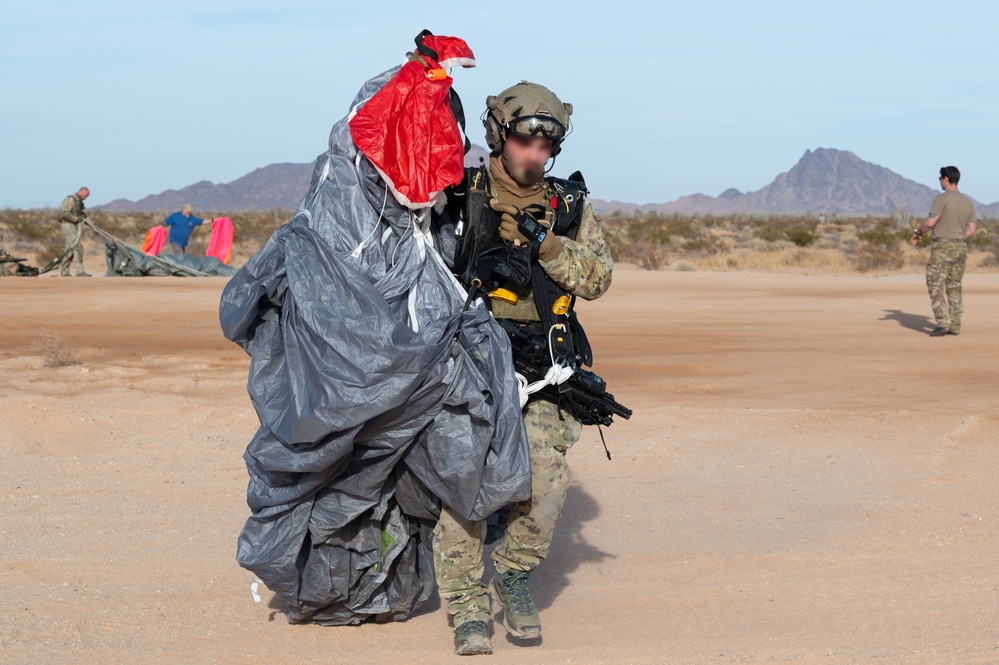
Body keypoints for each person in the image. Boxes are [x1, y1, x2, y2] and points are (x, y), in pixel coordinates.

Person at [433, 81, 613, 656]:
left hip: (544, 365)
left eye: (545, 146)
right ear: (499, 136)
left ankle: (512, 573)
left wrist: (545, 245)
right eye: (523, 141)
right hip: (467, 363)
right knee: (465, 480)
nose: (534, 155)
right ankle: (465, 604)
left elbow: (599, 280)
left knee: (547, 479)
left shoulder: (568, 205)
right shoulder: (456, 192)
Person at [910, 166, 977, 336]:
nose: (940, 181)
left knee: (935, 283)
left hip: (942, 247)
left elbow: (931, 222)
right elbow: (971, 229)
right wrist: (957, 237)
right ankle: (955, 325)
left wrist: (918, 231)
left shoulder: (942, 199)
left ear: (946, 178)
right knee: (954, 285)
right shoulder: (967, 202)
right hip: (961, 247)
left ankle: (942, 322)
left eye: (940, 178)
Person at [57, 187, 91, 277]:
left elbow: (83, 216)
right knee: (77, 247)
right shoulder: (70, 200)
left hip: (74, 226)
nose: (86, 197)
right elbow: (64, 213)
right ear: (80, 192)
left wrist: (91, 224)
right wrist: (76, 219)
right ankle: (80, 271)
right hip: (68, 226)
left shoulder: (79, 203)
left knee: (70, 250)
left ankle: (64, 272)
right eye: (85, 195)